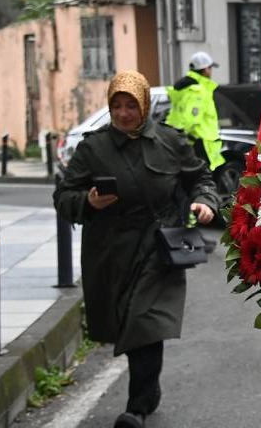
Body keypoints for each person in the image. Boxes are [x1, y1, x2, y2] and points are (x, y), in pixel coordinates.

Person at [53, 71, 218, 428]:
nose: (124, 113)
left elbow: (200, 179)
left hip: (159, 247)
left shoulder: (170, 141)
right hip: (110, 252)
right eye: (117, 105)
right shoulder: (93, 148)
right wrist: (88, 202)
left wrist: (205, 202)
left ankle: (137, 407)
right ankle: (149, 389)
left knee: (146, 322)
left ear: (144, 104)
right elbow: (63, 197)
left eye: (131, 105)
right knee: (126, 324)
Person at [165, 51, 223, 171]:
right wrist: (190, 139)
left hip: (183, 141)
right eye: (210, 68)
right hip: (198, 143)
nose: (211, 71)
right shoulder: (197, 90)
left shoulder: (185, 87)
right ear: (205, 69)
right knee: (202, 177)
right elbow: (191, 119)